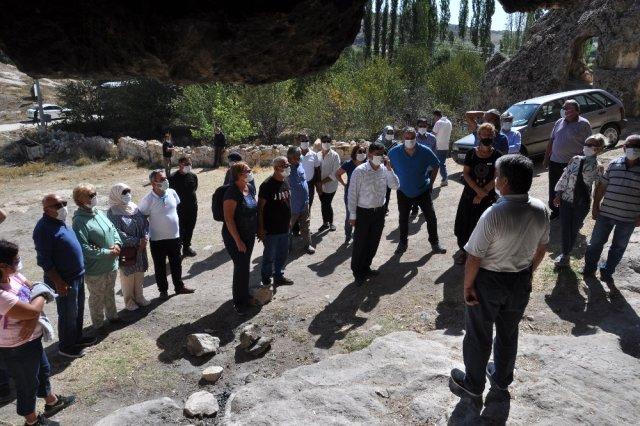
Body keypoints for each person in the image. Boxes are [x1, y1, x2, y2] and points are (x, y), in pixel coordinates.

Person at [449, 154, 549, 405]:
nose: (494, 179)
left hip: (489, 282)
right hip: (519, 280)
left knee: (478, 334)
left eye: (496, 175)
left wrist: (468, 286)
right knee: (508, 332)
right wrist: (527, 273)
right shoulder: (540, 209)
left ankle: (473, 385)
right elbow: (541, 249)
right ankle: (502, 379)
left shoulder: (494, 213)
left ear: (503, 181)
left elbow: (474, 257)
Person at [0, 240, 76, 425]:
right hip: (16, 346)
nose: (19, 262)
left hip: (31, 339)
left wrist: (32, 314)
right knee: (27, 383)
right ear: (3, 266)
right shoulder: (1, 295)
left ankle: (52, 402)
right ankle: (32, 421)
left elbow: (35, 289)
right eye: (16, 260)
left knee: (43, 370)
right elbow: (36, 300)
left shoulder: (14, 276)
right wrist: (40, 298)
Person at [33, 194, 95, 358]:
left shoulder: (59, 222)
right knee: (67, 313)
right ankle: (66, 346)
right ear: (46, 210)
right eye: (57, 205)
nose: (62, 207)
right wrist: (58, 282)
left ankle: (77, 338)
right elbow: (44, 261)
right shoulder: (43, 229)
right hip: (63, 280)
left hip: (77, 275)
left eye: (64, 203)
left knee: (78, 309)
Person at [583, 135, 640, 285]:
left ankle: (607, 271)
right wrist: (595, 206)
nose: (633, 149)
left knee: (618, 247)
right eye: (630, 145)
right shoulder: (614, 164)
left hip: (628, 218)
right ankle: (589, 269)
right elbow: (601, 187)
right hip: (605, 214)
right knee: (595, 243)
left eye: (637, 146)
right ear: (623, 148)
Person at [71, 183, 123, 332]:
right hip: (96, 269)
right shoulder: (79, 221)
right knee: (96, 297)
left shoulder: (98, 212)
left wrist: (118, 243)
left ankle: (113, 316)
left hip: (111, 264)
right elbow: (84, 247)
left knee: (110, 291)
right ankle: (99, 324)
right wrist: (107, 252)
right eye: (90, 195)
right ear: (80, 200)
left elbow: (112, 229)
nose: (94, 197)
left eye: (95, 194)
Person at [348, 142, 399, 286]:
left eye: (382, 154)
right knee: (360, 243)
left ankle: (366, 267)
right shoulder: (360, 171)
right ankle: (357, 272)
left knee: (373, 241)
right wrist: (352, 215)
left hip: (379, 211)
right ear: (369, 154)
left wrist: (390, 169)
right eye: (377, 154)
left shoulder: (384, 169)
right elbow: (352, 194)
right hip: (363, 212)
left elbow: (395, 186)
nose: (380, 157)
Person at [388, 127, 446, 255]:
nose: (409, 140)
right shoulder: (394, 152)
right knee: (403, 218)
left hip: (422, 190)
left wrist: (431, 183)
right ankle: (402, 243)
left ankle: (435, 243)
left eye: (412, 137)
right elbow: (387, 167)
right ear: (403, 138)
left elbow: (436, 165)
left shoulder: (425, 151)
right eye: (407, 138)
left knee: (431, 217)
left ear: (416, 137)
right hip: (403, 191)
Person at [138, 170, 195, 300]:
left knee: (176, 263)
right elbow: (142, 217)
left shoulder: (172, 193)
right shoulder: (148, 199)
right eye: (162, 179)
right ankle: (163, 291)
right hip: (157, 239)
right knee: (160, 267)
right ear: (153, 183)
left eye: (165, 178)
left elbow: (175, 207)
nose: (165, 181)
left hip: (174, 237)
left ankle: (179, 286)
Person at [553, 134, 606, 268]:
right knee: (565, 228)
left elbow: (598, 188)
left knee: (574, 229)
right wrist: (558, 193)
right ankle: (565, 255)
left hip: (582, 204)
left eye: (590, 145)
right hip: (566, 200)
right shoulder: (575, 159)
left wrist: (596, 206)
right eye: (586, 144)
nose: (586, 147)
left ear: (598, 149)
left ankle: (565, 253)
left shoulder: (598, 167)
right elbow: (564, 177)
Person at [453, 123, 502, 265]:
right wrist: (476, 190)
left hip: (488, 198)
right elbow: (466, 174)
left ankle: (484, 254)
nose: (486, 137)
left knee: (485, 225)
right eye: (484, 134)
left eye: (489, 135)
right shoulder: (471, 153)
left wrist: (482, 193)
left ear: (493, 136)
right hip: (469, 196)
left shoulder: (498, 155)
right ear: (479, 136)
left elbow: (496, 177)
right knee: (465, 224)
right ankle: (464, 251)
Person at [543, 99, 592, 219]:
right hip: (555, 162)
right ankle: (556, 211)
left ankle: (572, 213)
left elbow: (590, 144)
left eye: (567, 108)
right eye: (563, 107)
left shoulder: (584, 124)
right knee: (555, 187)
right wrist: (546, 158)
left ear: (576, 111)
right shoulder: (559, 121)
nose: (564, 110)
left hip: (573, 164)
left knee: (572, 189)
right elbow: (552, 140)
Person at [107, 183, 151, 311]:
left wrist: (145, 237)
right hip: (127, 249)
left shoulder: (134, 207)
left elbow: (145, 223)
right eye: (123, 193)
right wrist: (137, 241)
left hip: (141, 248)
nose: (127, 195)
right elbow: (117, 233)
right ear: (116, 195)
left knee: (139, 272)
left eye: (128, 192)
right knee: (127, 275)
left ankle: (140, 297)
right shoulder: (113, 212)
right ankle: (129, 301)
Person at [222, 162, 258, 315]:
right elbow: (229, 219)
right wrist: (238, 240)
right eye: (247, 171)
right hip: (235, 236)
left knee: (245, 266)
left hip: (248, 234)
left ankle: (245, 295)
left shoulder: (248, 188)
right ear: (238, 174)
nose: (250, 172)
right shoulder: (231, 193)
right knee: (240, 266)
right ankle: (238, 302)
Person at [258, 156, 294, 288]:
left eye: (288, 164)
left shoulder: (285, 181)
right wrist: (260, 228)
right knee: (269, 257)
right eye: (285, 165)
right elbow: (260, 208)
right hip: (271, 230)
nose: (288, 167)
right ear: (276, 168)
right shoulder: (267, 185)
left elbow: (287, 201)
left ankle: (279, 276)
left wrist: (289, 220)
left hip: (284, 227)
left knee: (283, 254)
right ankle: (266, 279)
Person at [336, 143, 367, 244]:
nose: (362, 153)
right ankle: (348, 235)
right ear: (355, 153)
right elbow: (337, 174)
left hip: (364, 194)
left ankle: (358, 235)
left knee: (362, 215)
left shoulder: (367, 163)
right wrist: (344, 184)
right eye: (360, 152)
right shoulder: (349, 164)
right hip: (350, 193)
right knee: (350, 214)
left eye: (363, 152)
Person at [287, 146, 315, 255]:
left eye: (300, 156)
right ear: (291, 157)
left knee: (305, 225)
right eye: (298, 156)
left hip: (304, 203)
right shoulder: (286, 169)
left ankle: (307, 245)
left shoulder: (300, 165)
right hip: (292, 205)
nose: (300, 157)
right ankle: (287, 247)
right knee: (288, 227)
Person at [169, 157, 199, 257]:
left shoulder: (193, 176)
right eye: (186, 164)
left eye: (190, 163)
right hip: (179, 209)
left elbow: (194, 188)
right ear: (180, 165)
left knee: (190, 227)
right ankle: (178, 248)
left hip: (192, 207)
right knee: (179, 229)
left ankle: (187, 248)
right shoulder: (172, 178)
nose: (189, 166)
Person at [317, 135, 341, 232]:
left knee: (327, 203)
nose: (326, 143)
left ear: (331, 142)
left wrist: (321, 182)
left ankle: (330, 223)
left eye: (328, 141)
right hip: (319, 186)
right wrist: (317, 183)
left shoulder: (335, 155)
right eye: (324, 141)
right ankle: (325, 223)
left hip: (331, 185)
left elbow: (335, 173)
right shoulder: (317, 155)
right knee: (323, 203)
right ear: (321, 142)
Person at [377, 125, 399, 214]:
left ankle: (385, 207)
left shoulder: (395, 143)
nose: (390, 134)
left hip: (391, 169)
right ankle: (380, 206)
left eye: (392, 132)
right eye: (388, 132)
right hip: (380, 169)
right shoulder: (378, 142)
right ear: (384, 132)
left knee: (388, 189)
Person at [432, 110, 453, 186]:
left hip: (438, 146)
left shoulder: (438, 123)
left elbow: (433, 134)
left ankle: (444, 179)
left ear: (436, 116)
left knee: (440, 163)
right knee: (442, 163)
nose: (434, 119)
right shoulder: (449, 122)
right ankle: (444, 178)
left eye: (434, 117)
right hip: (446, 146)